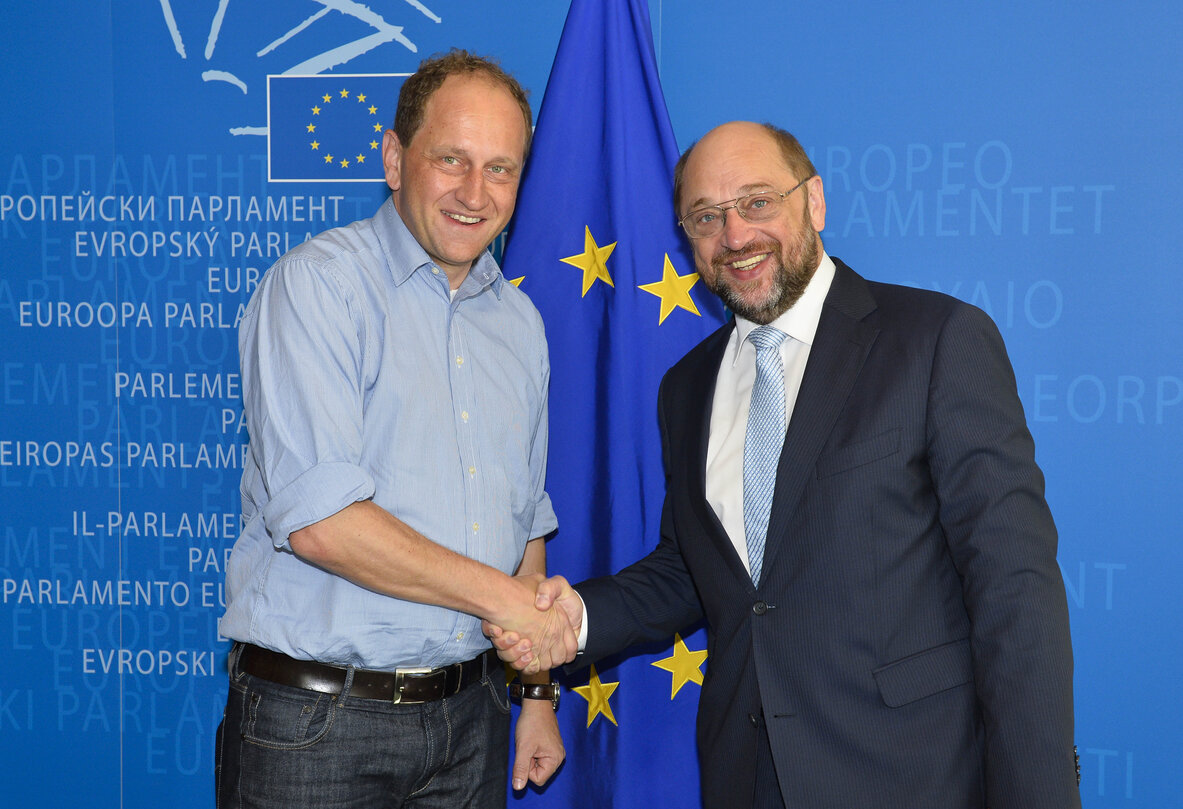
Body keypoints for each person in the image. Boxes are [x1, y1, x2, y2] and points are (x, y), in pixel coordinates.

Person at [490, 121, 1081, 808]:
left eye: (757, 202)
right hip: (746, 777)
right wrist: (575, 618)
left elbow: (1015, 590)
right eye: (706, 217)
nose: (734, 236)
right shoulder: (686, 387)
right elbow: (694, 570)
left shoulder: (935, 341)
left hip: (913, 777)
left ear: (815, 201)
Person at [216, 50, 576, 809]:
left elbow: (524, 522)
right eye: (452, 159)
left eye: (501, 169)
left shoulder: (520, 323)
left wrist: (536, 694)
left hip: (472, 722)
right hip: (319, 727)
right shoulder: (318, 287)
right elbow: (322, 523)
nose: (475, 193)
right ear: (393, 157)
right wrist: (510, 606)